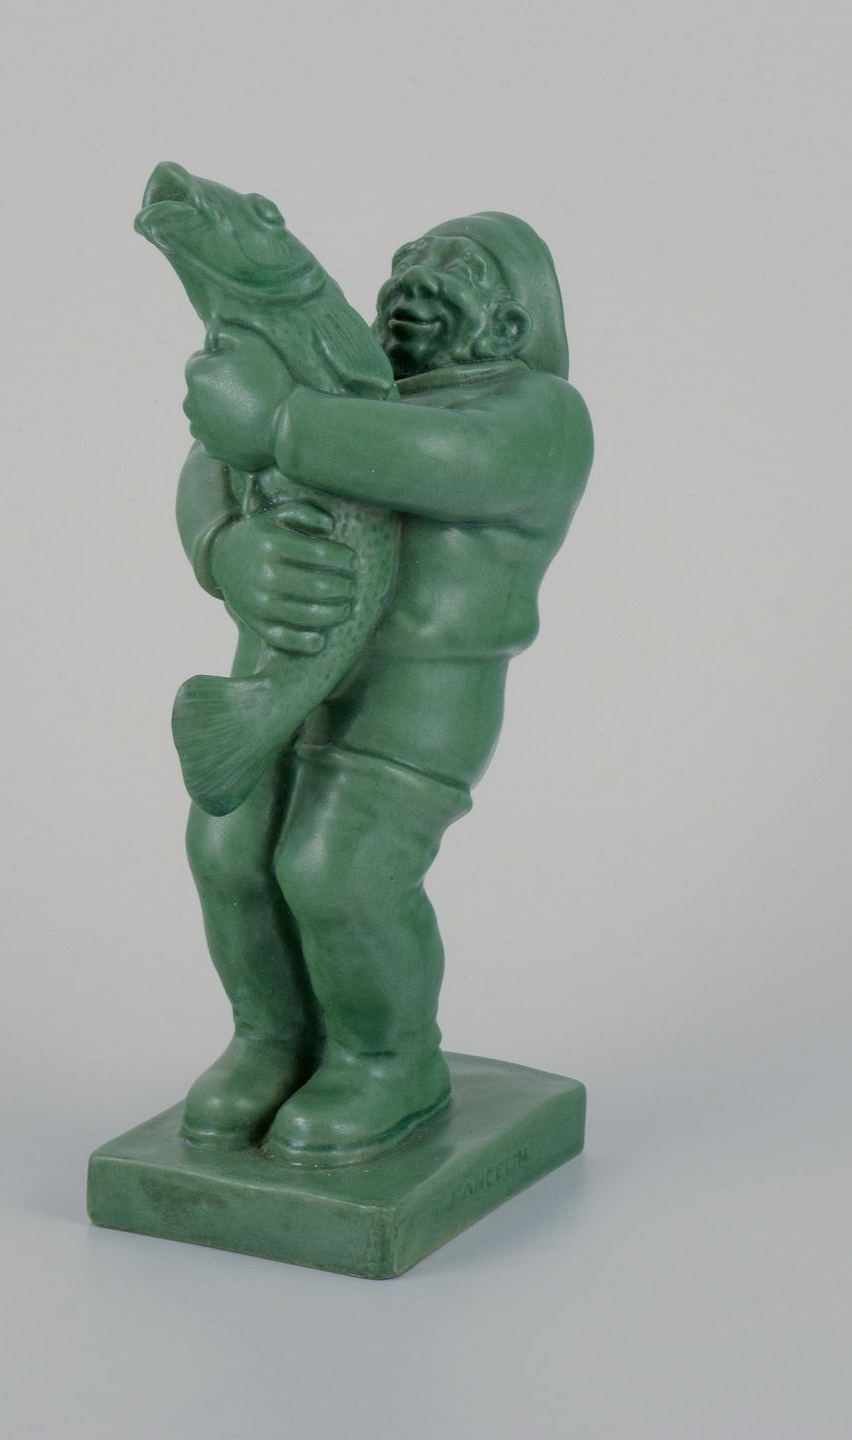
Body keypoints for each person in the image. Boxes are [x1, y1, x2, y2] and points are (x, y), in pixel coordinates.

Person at [173, 212, 593, 1166]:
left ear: (513, 317)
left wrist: (279, 423)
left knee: (340, 868)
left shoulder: (537, 413)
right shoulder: (342, 386)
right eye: (407, 259)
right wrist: (223, 545)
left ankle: (387, 1060)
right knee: (227, 851)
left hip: (418, 698)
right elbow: (212, 465)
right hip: (276, 665)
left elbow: (446, 461)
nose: (416, 274)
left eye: (456, 265)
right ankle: (270, 1040)